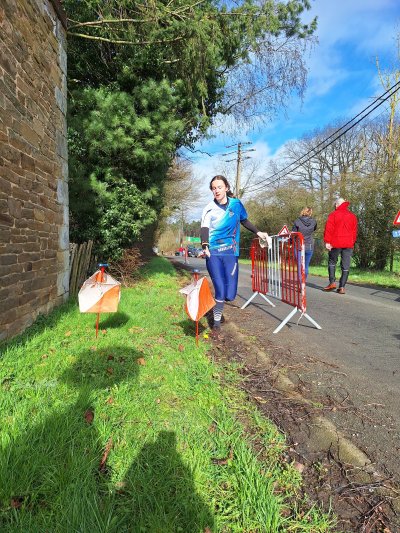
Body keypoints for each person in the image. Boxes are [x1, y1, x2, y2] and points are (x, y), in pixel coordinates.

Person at [200, 175, 270, 336]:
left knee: (230, 294)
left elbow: (244, 221)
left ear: (226, 187)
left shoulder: (236, 205)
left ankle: (216, 305)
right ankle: (216, 323)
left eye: (219, 187)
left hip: (231, 253)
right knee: (220, 290)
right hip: (214, 253)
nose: (216, 190)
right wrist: (205, 245)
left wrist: (259, 232)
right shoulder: (209, 208)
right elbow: (204, 228)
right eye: (213, 188)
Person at [323, 197, 358, 294]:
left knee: (332, 261)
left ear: (337, 205)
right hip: (348, 243)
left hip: (336, 242)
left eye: (335, 204)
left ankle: (332, 283)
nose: (334, 206)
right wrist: (352, 241)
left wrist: (327, 241)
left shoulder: (333, 214)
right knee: (346, 265)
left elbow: (329, 229)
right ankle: (342, 287)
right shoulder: (352, 216)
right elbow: (354, 231)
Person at [292, 207, 317, 280]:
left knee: (300, 265)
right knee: (306, 266)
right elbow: (314, 229)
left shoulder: (297, 221)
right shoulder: (314, 222)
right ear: (310, 212)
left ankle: (300, 283)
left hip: (298, 245)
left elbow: (293, 233)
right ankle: (303, 281)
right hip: (309, 245)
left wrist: (290, 242)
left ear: (302, 211)